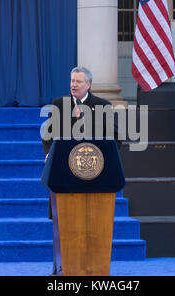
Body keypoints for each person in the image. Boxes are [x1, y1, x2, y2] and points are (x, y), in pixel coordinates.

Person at [41, 66, 119, 275]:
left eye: (78, 81)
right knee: (64, 224)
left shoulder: (103, 106)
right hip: (62, 174)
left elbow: (115, 139)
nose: (73, 85)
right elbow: (47, 137)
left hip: (96, 176)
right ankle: (61, 268)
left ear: (88, 85)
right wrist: (48, 153)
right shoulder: (59, 105)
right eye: (72, 81)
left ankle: (94, 268)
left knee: (93, 224)